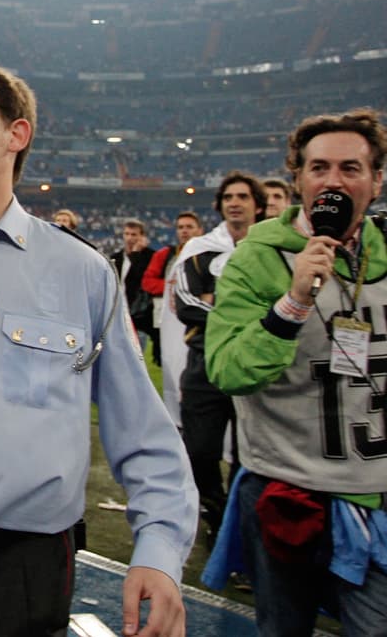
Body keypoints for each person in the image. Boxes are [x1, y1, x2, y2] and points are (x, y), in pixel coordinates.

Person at [0, 52, 196, 637]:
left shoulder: (83, 272)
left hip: (25, 567)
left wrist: (159, 549)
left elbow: (141, 429)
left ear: (18, 134)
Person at [207, 109, 387, 636]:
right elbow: (228, 370)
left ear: (376, 181)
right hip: (288, 492)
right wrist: (290, 305)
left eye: (351, 168)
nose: (333, 181)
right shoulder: (256, 259)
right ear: (299, 178)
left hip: (375, 492)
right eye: (319, 168)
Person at [174, 172, 264, 545]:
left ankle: (240, 530)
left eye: (243, 196)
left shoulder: (275, 250)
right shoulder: (199, 249)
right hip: (205, 363)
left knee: (252, 456)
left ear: (257, 204)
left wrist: (220, 301)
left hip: (255, 365)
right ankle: (219, 511)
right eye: (228, 196)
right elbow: (187, 304)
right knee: (200, 451)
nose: (234, 202)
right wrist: (251, 315)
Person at [141, 211, 204, 426]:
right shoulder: (165, 255)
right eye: (180, 227)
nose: (184, 231)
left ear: (199, 230)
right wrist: (172, 289)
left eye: (189, 226)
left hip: (199, 324)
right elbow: (148, 282)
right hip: (170, 323)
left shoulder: (208, 254)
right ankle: (176, 421)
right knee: (172, 370)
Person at [112, 218, 158, 363]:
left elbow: (143, 280)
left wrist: (136, 254)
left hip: (139, 317)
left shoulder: (150, 257)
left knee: (136, 361)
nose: (130, 238)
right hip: (118, 315)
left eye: (134, 235)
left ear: (142, 236)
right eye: (127, 234)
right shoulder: (116, 258)